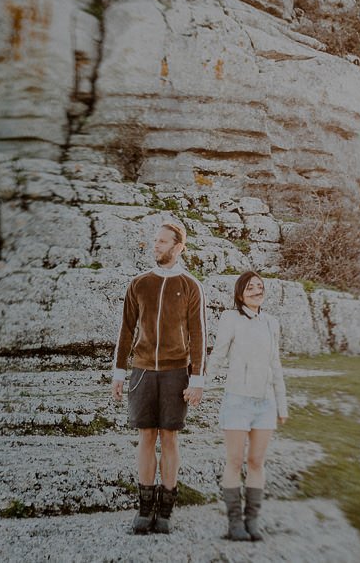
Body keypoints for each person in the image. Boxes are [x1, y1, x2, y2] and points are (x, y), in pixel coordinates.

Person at [110, 221, 207, 534]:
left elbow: (199, 335)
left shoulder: (192, 285)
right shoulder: (139, 283)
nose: (156, 246)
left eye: (163, 242)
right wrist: (119, 372)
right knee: (146, 436)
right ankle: (144, 508)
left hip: (176, 372)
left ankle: (165, 510)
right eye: (155, 241)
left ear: (178, 247)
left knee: (169, 438)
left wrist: (197, 380)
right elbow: (126, 330)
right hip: (142, 371)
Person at [206, 270, 288, 541]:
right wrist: (200, 385)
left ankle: (252, 521)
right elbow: (218, 354)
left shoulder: (271, 323)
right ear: (240, 293)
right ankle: (234, 523)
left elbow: (275, 364)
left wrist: (281, 404)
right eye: (251, 287)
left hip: (265, 403)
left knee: (256, 461)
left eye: (260, 287)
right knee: (235, 460)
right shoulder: (230, 318)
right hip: (237, 401)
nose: (257, 290)